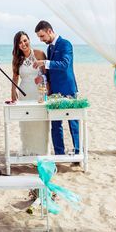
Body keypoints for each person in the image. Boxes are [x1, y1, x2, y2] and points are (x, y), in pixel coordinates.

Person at [33, 20, 79, 155]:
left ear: (49, 31)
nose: (41, 40)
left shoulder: (66, 44)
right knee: (56, 124)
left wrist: (44, 62)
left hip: (68, 89)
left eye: (42, 36)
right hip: (54, 91)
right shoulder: (50, 48)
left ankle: (78, 152)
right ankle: (59, 153)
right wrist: (44, 78)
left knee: (73, 123)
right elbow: (51, 71)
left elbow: (64, 64)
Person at [11, 31, 49, 155]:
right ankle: (28, 150)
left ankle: (41, 151)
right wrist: (13, 91)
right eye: (20, 42)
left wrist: (46, 89)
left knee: (40, 122)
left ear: (29, 40)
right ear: (17, 45)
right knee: (26, 122)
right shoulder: (17, 59)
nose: (23, 44)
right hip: (24, 93)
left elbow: (46, 74)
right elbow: (15, 77)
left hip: (39, 92)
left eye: (25, 40)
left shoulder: (39, 53)